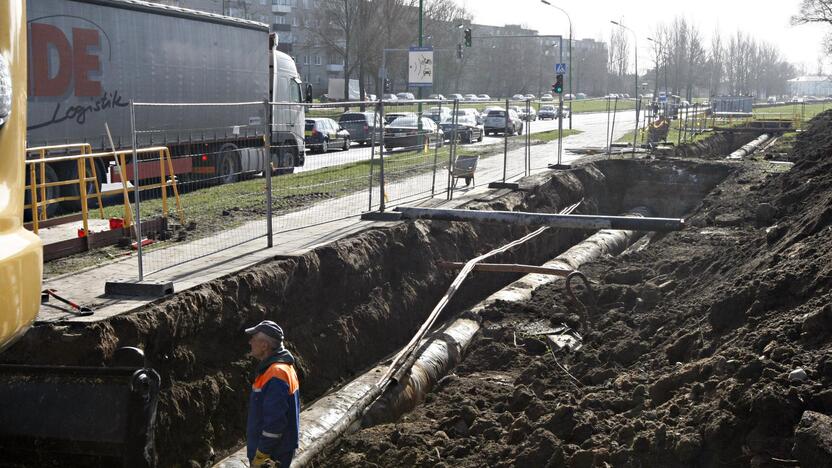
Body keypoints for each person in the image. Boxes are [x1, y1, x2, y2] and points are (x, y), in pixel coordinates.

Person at [245, 320, 300, 468]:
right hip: (278, 449)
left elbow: (275, 422)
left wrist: (262, 453)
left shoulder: (275, 373)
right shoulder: (280, 368)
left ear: (265, 346)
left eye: (254, 339)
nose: (250, 342)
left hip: (272, 453)